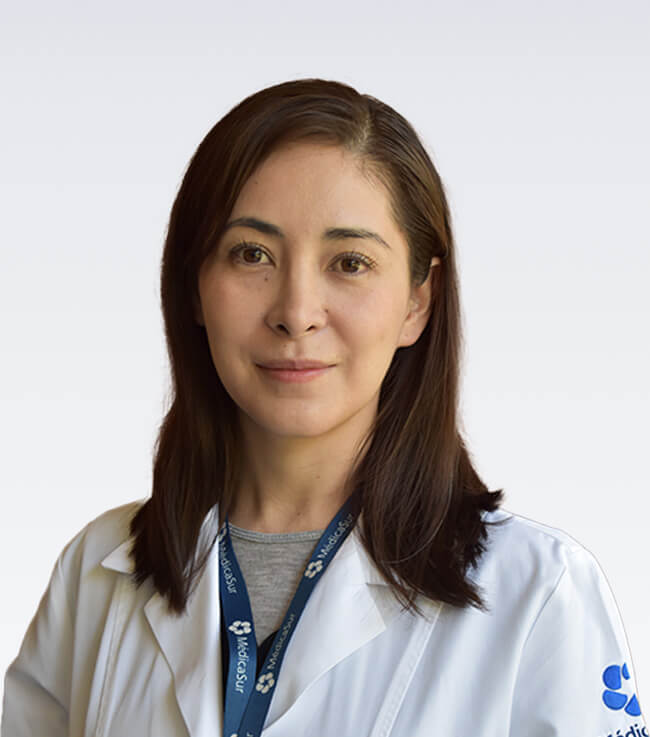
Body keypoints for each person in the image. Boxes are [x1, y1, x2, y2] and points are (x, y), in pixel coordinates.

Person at [2, 77, 646, 737]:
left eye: (350, 262)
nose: (296, 312)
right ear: (194, 286)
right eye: (252, 254)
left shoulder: (540, 596)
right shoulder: (97, 571)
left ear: (417, 301)